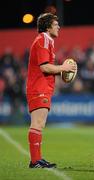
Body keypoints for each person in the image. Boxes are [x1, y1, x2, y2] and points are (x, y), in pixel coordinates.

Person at [26, 13, 76, 168]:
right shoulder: (43, 40)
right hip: (38, 87)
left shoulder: (47, 41)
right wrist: (64, 68)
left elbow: (47, 67)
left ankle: (36, 159)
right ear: (48, 27)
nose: (59, 26)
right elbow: (44, 67)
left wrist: (61, 71)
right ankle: (35, 161)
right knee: (38, 123)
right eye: (55, 24)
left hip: (42, 87)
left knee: (39, 124)